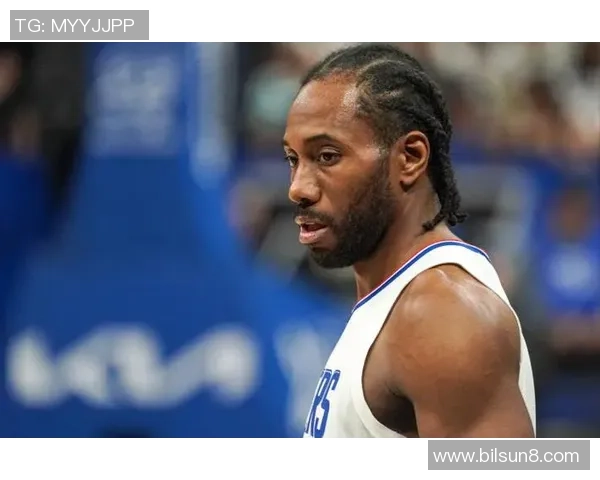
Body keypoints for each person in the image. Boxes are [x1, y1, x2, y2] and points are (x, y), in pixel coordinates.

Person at [282, 43, 536, 438]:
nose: (297, 188)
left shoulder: (441, 315)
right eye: (293, 159)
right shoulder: (400, 299)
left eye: (327, 156)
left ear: (411, 158)